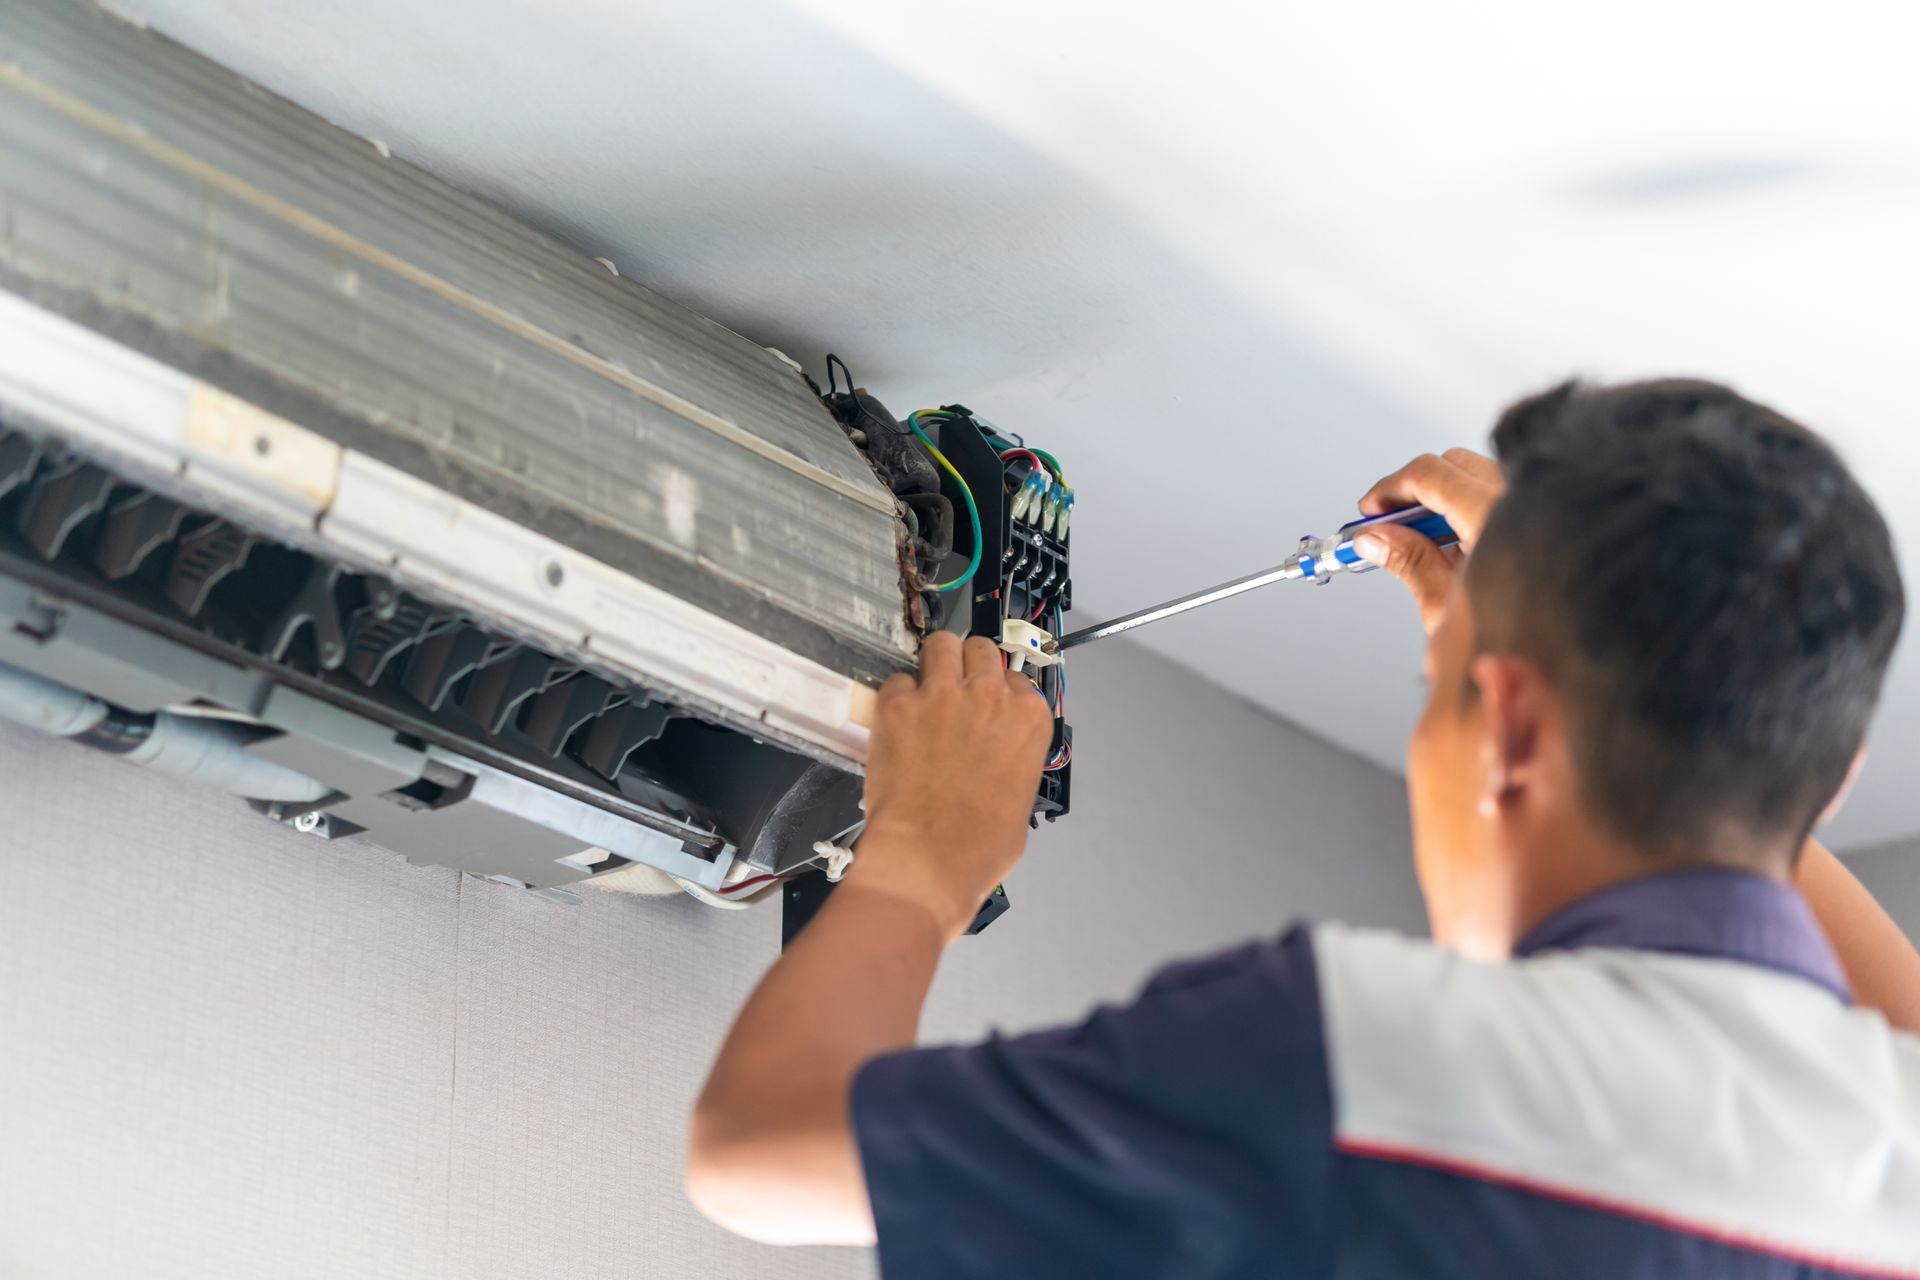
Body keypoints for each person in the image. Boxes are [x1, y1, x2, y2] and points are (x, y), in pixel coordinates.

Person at [687, 379, 1920, 1276]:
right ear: (1833, 775)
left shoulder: (1360, 1058)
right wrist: (1699, 724)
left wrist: (925, 847)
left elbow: (757, 1143)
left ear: (1518, 730)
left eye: (1440, 695)